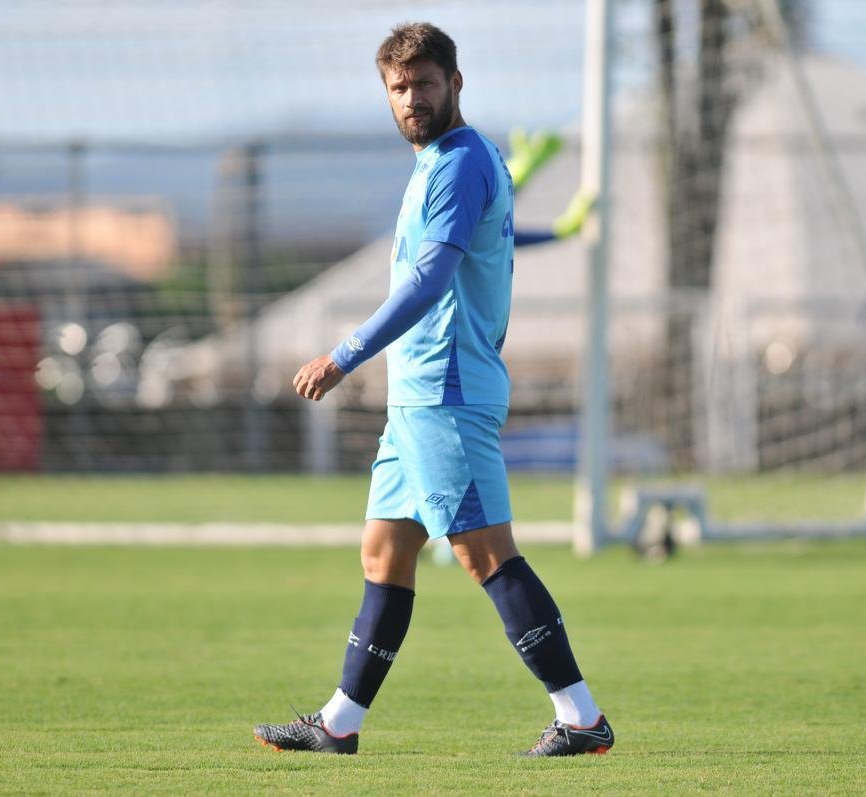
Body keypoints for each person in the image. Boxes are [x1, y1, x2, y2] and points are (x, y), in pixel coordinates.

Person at [252, 22, 613, 758]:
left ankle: (581, 717)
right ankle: (339, 724)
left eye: (424, 82)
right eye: (398, 87)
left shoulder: (459, 163)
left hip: (446, 392)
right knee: (385, 554)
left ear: (455, 83)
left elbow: (431, 279)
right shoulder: (447, 162)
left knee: (487, 554)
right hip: (416, 399)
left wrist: (344, 355)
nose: (411, 97)